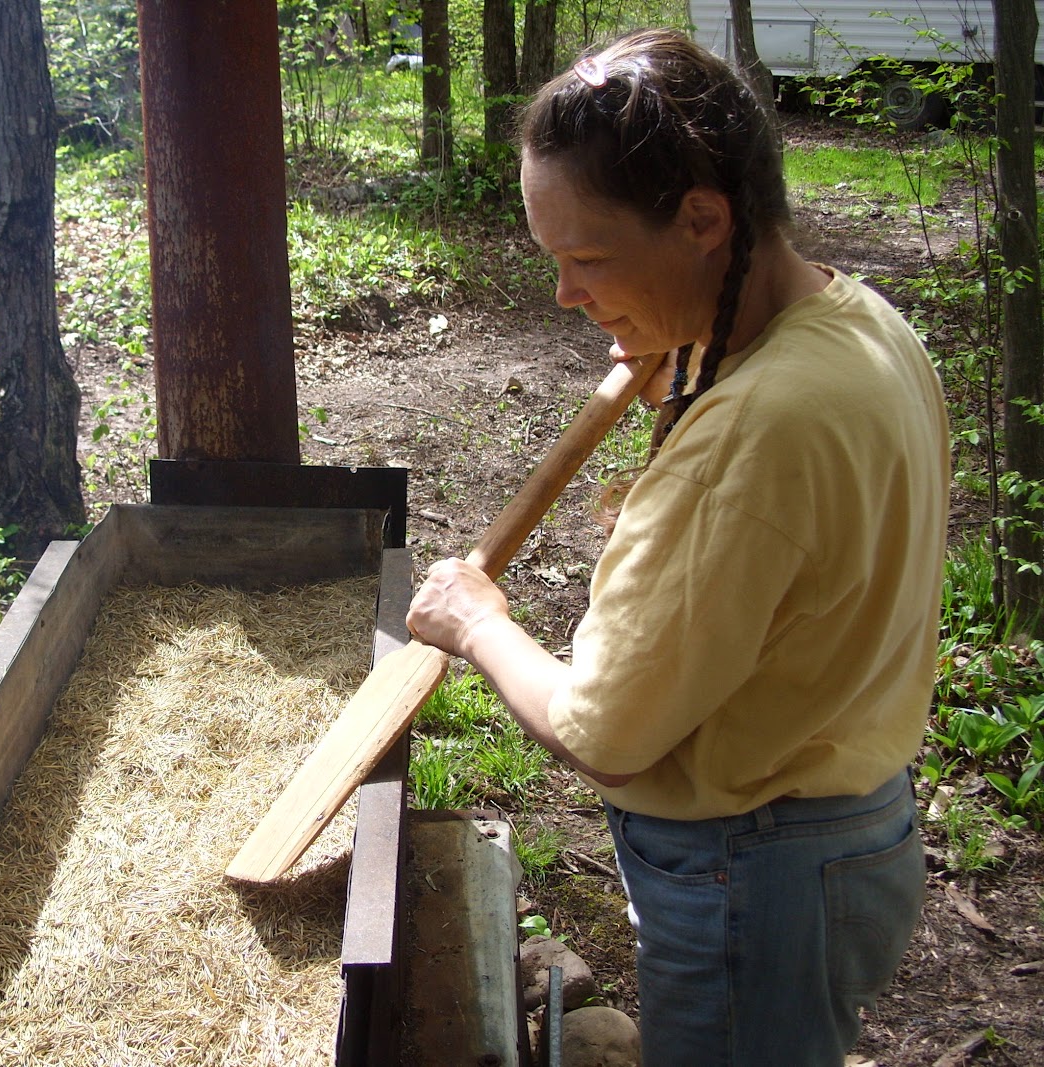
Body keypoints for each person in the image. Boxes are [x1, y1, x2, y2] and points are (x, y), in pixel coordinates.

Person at [404, 28, 949, 1067]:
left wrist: (477, 622)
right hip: (847, 832)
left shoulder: (754, 435)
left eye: (588, 257)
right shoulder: (862, 324)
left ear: (703, 219)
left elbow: (603, 729)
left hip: (755, 871)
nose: (566, 295)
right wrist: (688, 351)